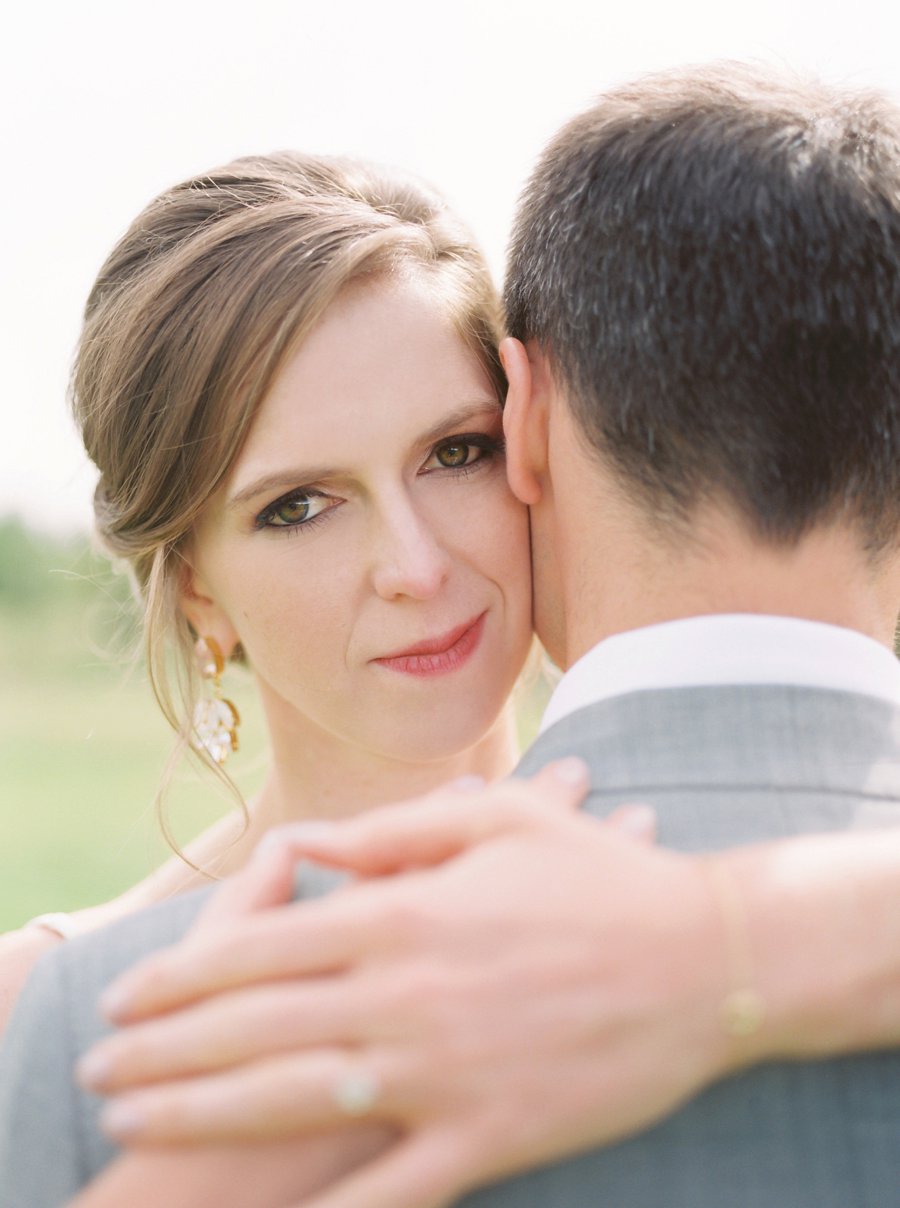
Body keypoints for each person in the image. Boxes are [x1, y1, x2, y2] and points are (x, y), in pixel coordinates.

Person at [7, 60, 900, 1207]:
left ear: (534, 436)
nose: (416, 567)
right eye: (299, 505)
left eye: (455, 452)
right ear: (197, 593)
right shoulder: (57, 1006)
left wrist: (713, 952)